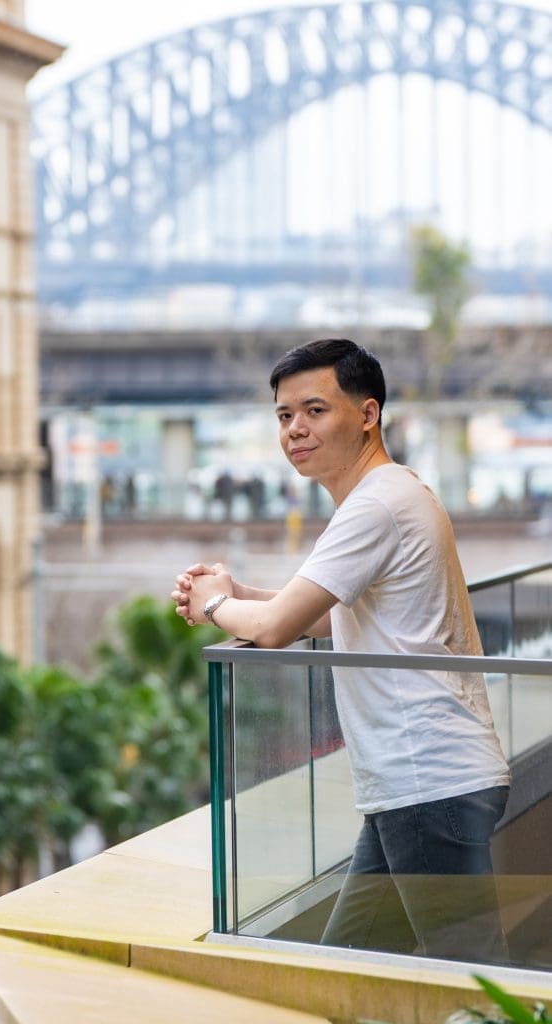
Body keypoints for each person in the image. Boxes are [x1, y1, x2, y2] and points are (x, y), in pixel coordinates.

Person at [171, 338, 510, 962]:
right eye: (283, 415)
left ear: (367, 413)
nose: (295, 429)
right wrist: (242, 592)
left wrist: (213, 606)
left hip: (427, 782)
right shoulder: (393, 493)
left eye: (315, 410)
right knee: (348, 965)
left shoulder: (376, 504)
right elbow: (331, 615)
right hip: (411, 785)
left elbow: (274, 629)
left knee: (474, 979)